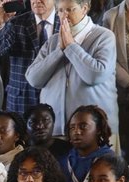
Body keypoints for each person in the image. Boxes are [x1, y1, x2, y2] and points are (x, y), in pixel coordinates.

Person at [25, 0, 118, 143]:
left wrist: (70, 46)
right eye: (60, 11)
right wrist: (58, 52)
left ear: (84, 8)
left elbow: (95, 75)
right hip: (57, 132)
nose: (64, 15)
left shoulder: (104, 36)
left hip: (94, 131)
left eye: (70, 10)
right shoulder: (53, 41)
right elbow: (33, 79)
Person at [0, 0, 57, 116]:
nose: (37, 1)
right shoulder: (16, 23)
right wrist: (0, 23)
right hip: (21, 99)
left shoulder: (66, 22)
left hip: (55, 98)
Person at [59, 105, 115, 182]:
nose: (76, 131)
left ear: (98, 129)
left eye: (83, 126)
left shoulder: (110, 160)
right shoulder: (64, 161)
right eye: (72, 127)